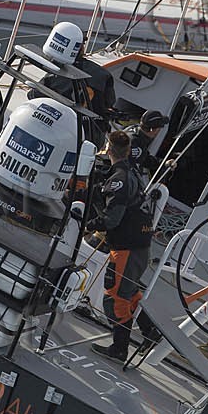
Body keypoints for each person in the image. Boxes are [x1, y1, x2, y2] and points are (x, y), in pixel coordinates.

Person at [90, 130, 154, 361]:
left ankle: (119, 349)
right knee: (130, 292)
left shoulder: (118, 178)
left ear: (108, 149)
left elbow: (111, 219)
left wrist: (88, 223)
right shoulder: (134, 172)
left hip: (127, 247)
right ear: (128, 151)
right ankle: (151, 332)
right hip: (141, 245)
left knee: (115, 297)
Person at [39, 22, 116, 141]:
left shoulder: (52, 73)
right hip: (87, 135)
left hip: (53, 129)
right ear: (80, 47)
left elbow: (34, 94)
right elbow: (109, 103)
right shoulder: (103, 75)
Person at [123, 110, 168, 180]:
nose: (159, 131)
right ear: (152, 130)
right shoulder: (136, 143)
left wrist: (164, 163)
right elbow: (144, 160)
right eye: (159, 128)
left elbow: (144, 157)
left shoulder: (134, 129)